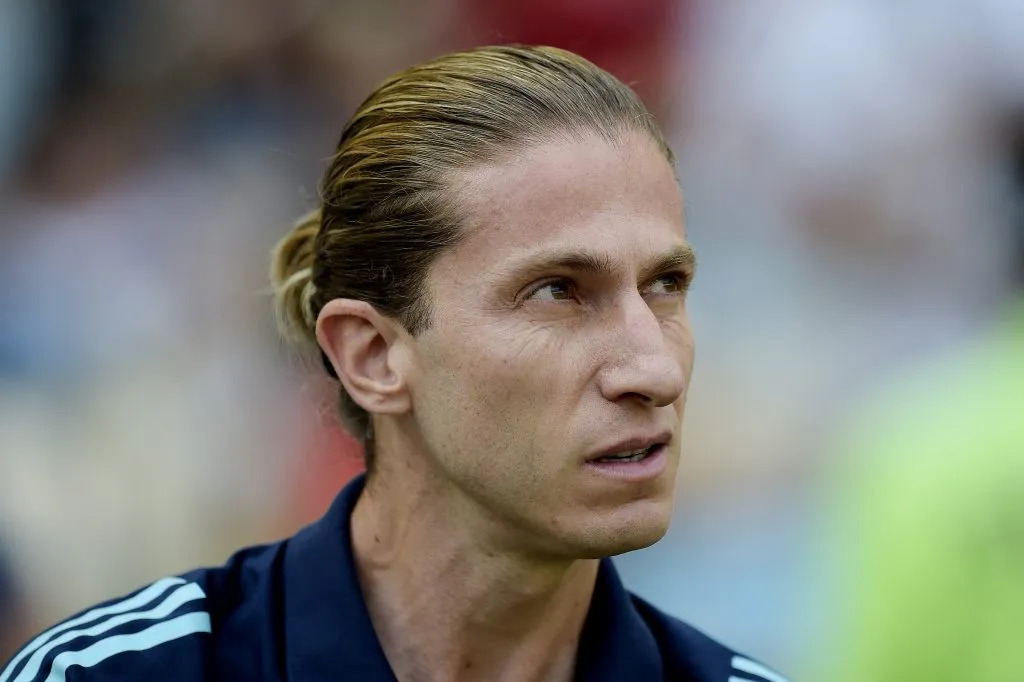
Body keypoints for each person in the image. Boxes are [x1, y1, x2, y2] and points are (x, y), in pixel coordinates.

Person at [1, 45, 788, 682]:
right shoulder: (112, 676)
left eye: (667, 284)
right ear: (373, 355)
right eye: (556, 291)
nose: (654, 368)